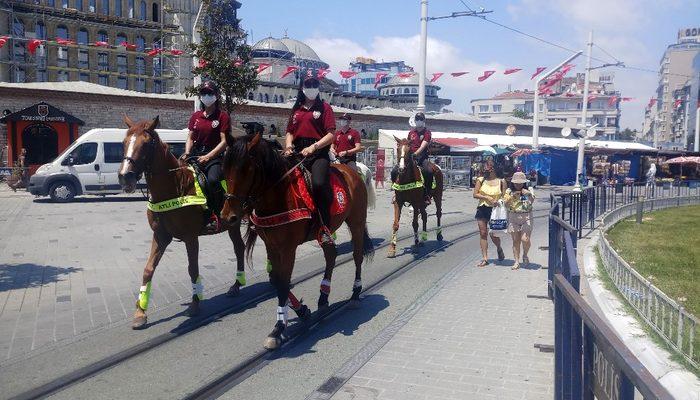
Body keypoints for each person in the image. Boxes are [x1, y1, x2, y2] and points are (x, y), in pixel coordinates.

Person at [283, 76, 336, 245]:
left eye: (314, 84)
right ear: (302, 87)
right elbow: (290, 131)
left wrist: (314, 147)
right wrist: (289, 145)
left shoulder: (325, 108)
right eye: (308, 84)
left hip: (317, 154)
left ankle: (325, 228)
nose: (311, 87)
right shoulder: (297, 108)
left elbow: (331, 135)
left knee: (319, 184)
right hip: (297, 152)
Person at [182, 80, 230, 230]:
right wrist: (187, 152)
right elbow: (190, 137)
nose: (206, 96)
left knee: (213, 181)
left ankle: (215, 214)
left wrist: (209, 156)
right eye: (204, 93)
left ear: (216, 95)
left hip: (214, 158)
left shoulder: (222, 116)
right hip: (195, 154)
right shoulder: (196, 116)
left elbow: (224, 142)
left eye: (210, 93)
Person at [391, 112, 433, 204]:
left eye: (420, 119)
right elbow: (407, 144)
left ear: (424, 121)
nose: (419, 121)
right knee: (394, 171)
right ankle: (396, 192)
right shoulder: (411, 133)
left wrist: (415, 154)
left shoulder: (427, 133)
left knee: (428, 171)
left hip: (422, 157)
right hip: (410, 157)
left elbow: (423, 146)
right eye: (417, 119)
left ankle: (427, 195)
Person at [473, 159, 506, 267]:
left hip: (495, 210)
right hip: (482, 208)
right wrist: (486, 197)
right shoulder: (480, 180)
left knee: (493, 234)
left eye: (487, 167)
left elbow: (505, 197)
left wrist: (500, 202)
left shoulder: (502, 181)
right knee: (483, 233)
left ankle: (499, 248)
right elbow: (475, 194)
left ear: (493, 168)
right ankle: (485, 258)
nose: (485, 169)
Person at [504, 171, 534, 270]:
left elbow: (532, 201)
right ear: (513, 183)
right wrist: (511, 197)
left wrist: (528, 194)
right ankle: (516, 261)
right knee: (516, 241)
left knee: (525, 239)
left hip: (526, 216)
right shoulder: (509, 191)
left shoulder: (529, 189)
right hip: (513, 216)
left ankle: (525, 254)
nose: (518, 185)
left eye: (520, 183)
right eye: (516, 183)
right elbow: (505, 203)